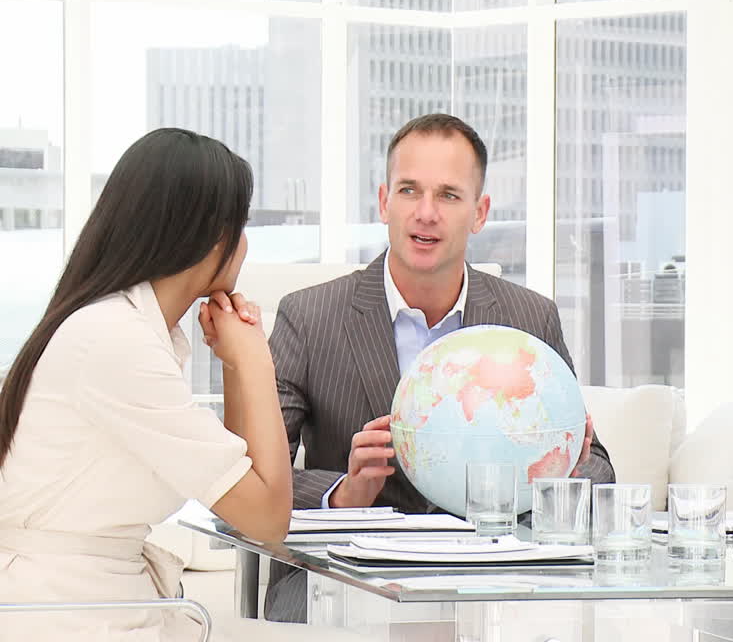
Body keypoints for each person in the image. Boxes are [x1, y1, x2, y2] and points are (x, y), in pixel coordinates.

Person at [264, 113, 616, 622]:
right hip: (352, 583)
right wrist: (343, 493)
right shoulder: (309, 316)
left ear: (480, 212)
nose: (425, 213)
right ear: (385, 202)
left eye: (449, 195)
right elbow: (255, 480)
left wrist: (561, 469)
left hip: (494, 583)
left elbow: (600, 470)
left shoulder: (528, 318)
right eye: (409, 191)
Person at [0, 129, 295, 640]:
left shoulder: (125, 329)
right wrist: (255, 362)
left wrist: (233, 361)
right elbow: (267, 518)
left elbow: (242, 497)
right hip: (66, 613)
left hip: (93, 602)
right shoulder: (115, 341)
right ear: (213, 235)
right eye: (242, 225)